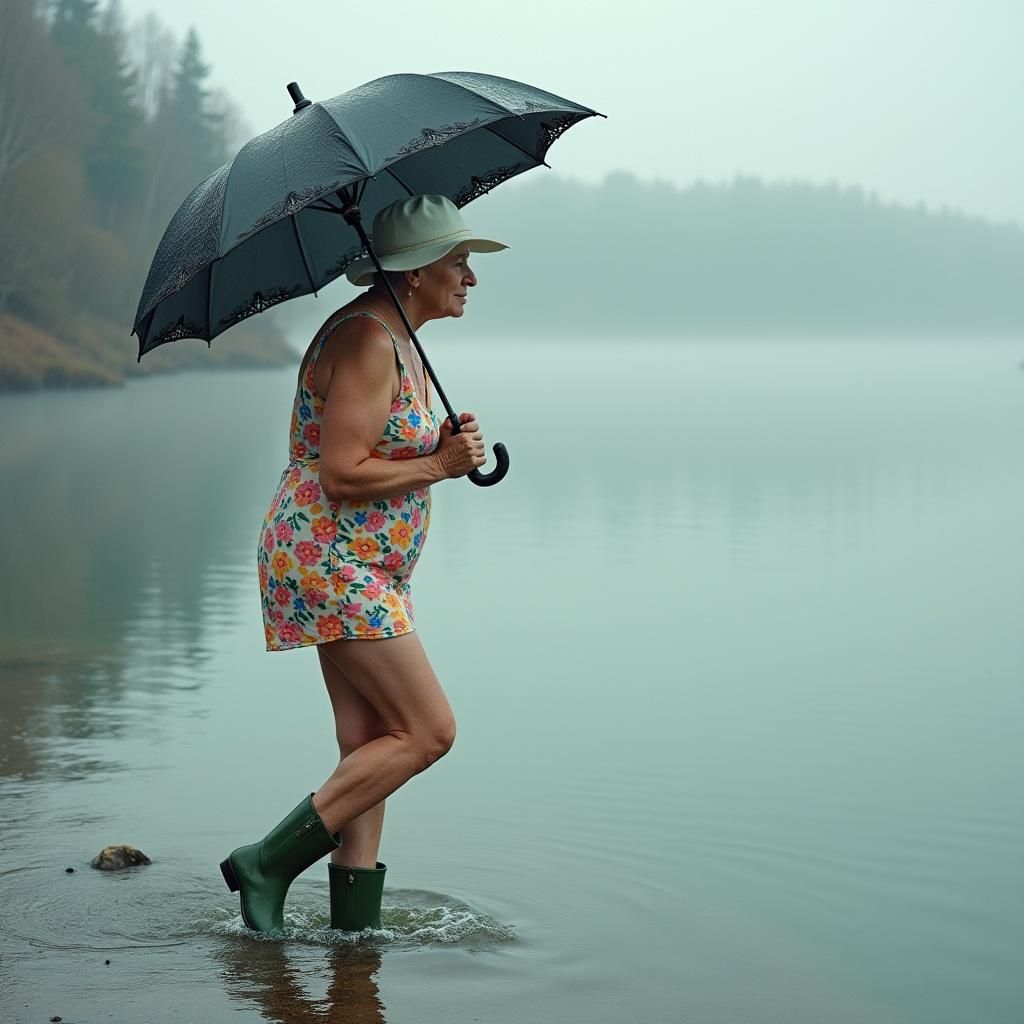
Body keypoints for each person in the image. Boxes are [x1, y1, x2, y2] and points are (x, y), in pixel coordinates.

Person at [219, 194, 508, 934]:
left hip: (361, 567)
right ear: (413, 272)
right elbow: (341, 473)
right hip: (328, 560)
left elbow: (376, 444)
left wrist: (435, 440)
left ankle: (355, 935)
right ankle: (267, 863)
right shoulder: (369, 341)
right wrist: (440, 464)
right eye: (458, 261)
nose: (470, 277)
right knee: (428, 731)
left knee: (371, 741)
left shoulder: (400, 338)